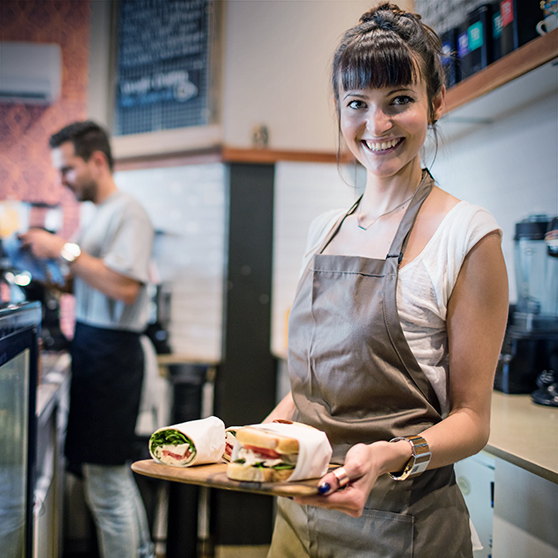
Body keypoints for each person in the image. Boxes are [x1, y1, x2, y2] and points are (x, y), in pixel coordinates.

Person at [264, 4, 509, 557]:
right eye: (358, 105)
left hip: (399, 525)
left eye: (399, 100)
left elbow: (472, 421)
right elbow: (322, 382)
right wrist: (262, 433)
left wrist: (391, 454)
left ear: (436, 102)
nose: (376, 126)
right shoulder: (325, 230)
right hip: (297, 510)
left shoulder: (467, 235)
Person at [20, 121, 155, 558]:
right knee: (109, 479)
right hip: (95, 349)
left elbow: (124, 286)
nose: (62, 180)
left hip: (113, 356)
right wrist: (36, 263)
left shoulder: (127, 211)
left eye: (68, 168)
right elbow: (85, 284)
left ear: (98, 160)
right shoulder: (100, 215)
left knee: (107, 481)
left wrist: (62, 248)